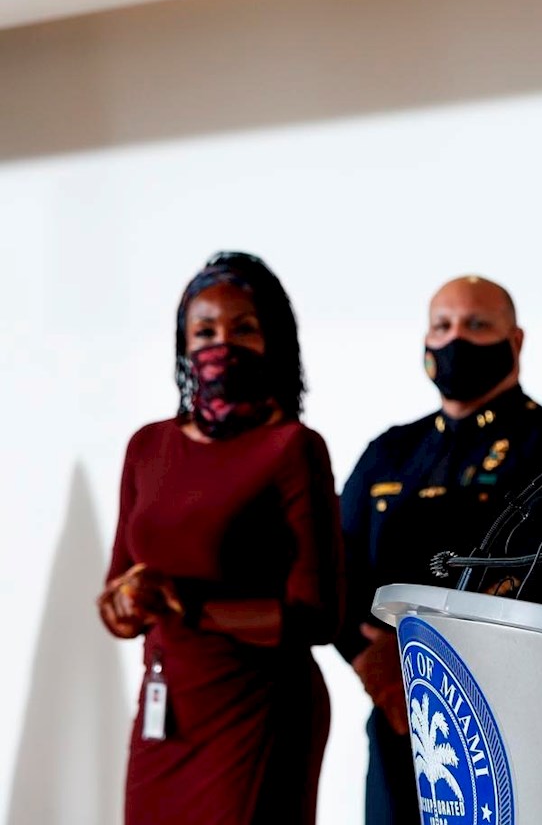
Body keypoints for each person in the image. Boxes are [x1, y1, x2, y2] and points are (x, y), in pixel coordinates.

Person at [338, 274, 542, 825]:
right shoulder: (390, 452)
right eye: (442, 325)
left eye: (477, 324)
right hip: (400, 706)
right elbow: (337, 571)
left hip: (512, 714)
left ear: (515, 341)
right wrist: (365, 656)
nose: (456, 337)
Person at [97, 252, 343, 825]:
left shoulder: (293, 448)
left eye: (244, 329)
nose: (221, 345)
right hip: (167, 711)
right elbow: (117, 594)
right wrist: (125, 603)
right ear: (184, 344)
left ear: (274, 341)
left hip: (258, 710)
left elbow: (318, 615)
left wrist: (192, 607)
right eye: (204, 331)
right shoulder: (147, 447)